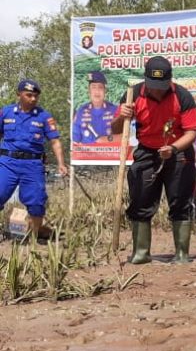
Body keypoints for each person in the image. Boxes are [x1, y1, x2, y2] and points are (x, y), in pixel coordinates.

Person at [110, 56, 196, 264]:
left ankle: (182, 254)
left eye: (161, 86)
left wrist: (174, 147)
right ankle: (141, 252)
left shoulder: (183, 96)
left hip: (178, 152)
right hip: (147, 152)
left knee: (180, 201)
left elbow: (191, 132)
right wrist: (122, 116)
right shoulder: (132, 96)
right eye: (153, 86)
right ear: (145, 79)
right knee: (141, 199)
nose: (157, 90)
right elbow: (115, 130)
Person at [0, 80, 68, 236]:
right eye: (28, 95)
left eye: (35, 96)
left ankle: (34, 237)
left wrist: (61, 164)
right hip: (7, 163)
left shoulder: (44, 116)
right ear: (19, 94)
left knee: (37, 201)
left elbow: (55, 141)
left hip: (32, 164)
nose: (32, 99)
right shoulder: (6, 112)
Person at [72, 71, 118, 144]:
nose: (97, 91)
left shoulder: (115, 110)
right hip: (86, 154)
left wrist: (105, 139)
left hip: (110, 154)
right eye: (93, 87)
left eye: (100, 87)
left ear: (105, 91)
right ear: (89, 91)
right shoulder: (81, 111)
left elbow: (125, 136)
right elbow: (74, 140)